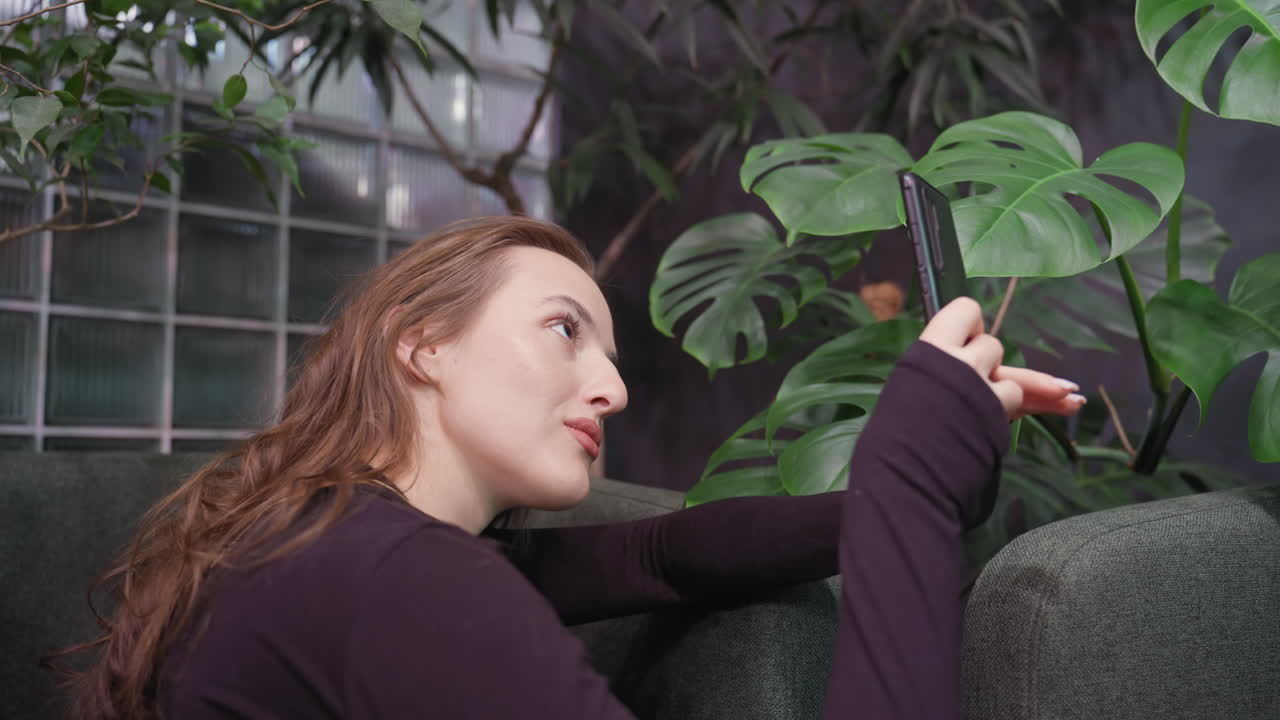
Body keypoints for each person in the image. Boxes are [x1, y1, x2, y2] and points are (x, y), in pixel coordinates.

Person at [53, 216, 1085, 719]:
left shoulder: (320, 534)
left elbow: (663, 558)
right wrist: (909, 487)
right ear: (422, 344)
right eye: (564, 330)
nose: (612, 389)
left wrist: (912, 491)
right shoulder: (399, 579)